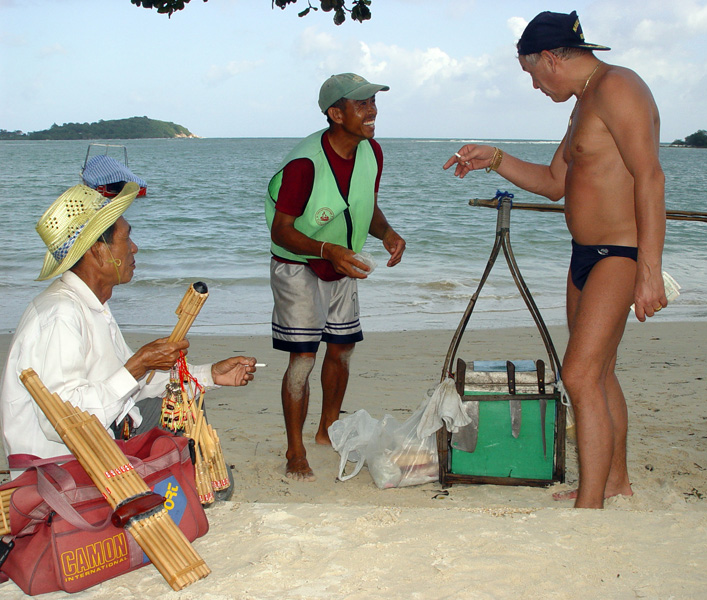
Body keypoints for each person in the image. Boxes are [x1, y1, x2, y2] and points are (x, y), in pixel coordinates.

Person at [443, 11, 667, 508]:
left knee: (579, 375)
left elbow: (650, 177)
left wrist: (650, 268)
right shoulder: (586, 100)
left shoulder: (619, 87)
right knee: (600, 374)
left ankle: (590, 507)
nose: (535, 87)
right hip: (585, 254)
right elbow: (553, 183)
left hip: (620, 254)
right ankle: (613, 484)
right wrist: (495, 158)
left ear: (548, 58)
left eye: (531, 75)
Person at [0, 183, 257, 479]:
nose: (134, 247)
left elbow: (136, 385)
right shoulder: (60, 315)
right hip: (62, 472)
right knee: (182, 433)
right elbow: (63, 423)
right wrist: (137, 365)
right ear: (98, 251)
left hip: (99, 444)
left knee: (183, 408)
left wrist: (211, 374)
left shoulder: (91, 306)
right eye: (126, 238)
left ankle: (199, 496)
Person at [265, 72, 406, 482]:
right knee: (303, 360)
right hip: (299, 265)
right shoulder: (304, 165)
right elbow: (281, 230)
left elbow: (362, 205)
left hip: (343, 262)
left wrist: (388, 233)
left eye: (373, 103)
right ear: (336, 113)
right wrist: (328, 250)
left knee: (342, 349)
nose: (372, 111)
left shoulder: (371, 152)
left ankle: (327, 430)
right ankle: (295, 448)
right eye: (361, 104)